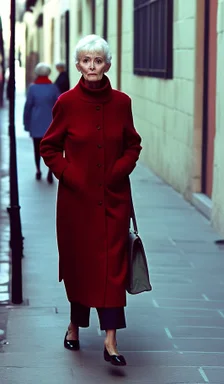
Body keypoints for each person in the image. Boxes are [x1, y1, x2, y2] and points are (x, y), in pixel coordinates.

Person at [40, 34, 142, 366]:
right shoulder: (66, 103)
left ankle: (111, 341)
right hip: (76, 204)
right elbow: (49, 147)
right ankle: (74, 325)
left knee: (113, 268)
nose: (92, 66)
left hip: (114, 201)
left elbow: (132, 145)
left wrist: (119, 170)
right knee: (81, 267)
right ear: (78, 65)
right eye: (86, 60)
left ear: (108, 64)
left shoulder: (122, 103)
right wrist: (70, 175)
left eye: (98, 60)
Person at [23, 62, 59, 183]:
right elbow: (59, 106)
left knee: (37, 148)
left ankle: (38, 170)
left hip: (36, 122)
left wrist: (26, 123)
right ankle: (50, 171)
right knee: (51, 150)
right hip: (51, 123)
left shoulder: (33, 88)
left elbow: (28, 106)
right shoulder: (53, 88)